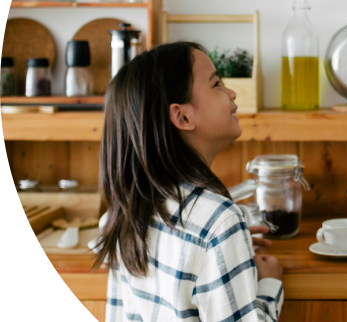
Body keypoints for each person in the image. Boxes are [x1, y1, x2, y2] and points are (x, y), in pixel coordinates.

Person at [92, 41, 284, 321]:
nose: (231, 93)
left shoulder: (124, 211)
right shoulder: (220, 221)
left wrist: (229, 246)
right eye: (216, 83)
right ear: (182, 116)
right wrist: (269, 284)